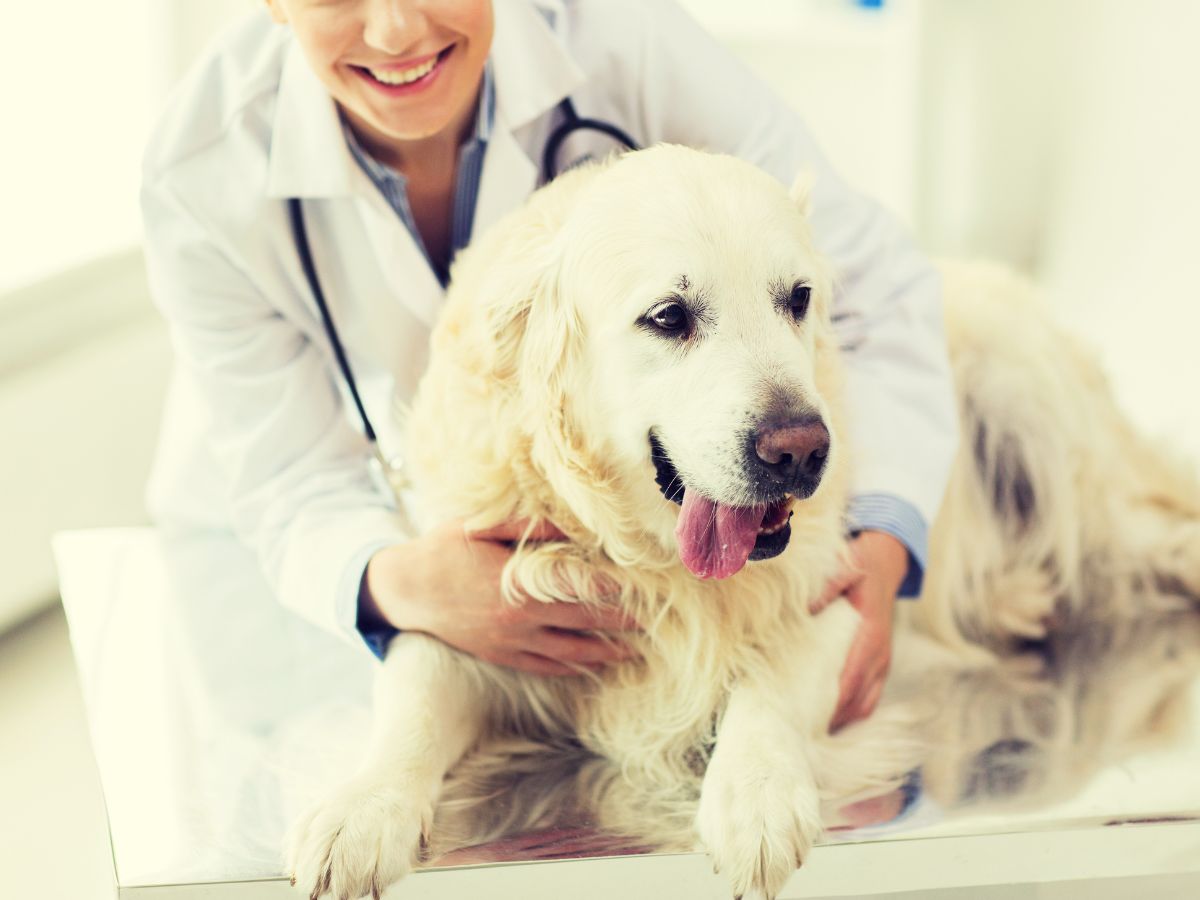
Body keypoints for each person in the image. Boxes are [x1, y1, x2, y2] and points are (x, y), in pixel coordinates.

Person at [140, 0, 958, 730]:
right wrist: (398, 583)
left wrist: (880, 540)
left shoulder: (626, 41)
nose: (395, 30)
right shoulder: (200, 167)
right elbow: (288, 475)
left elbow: (867, 286)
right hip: (276, 553)